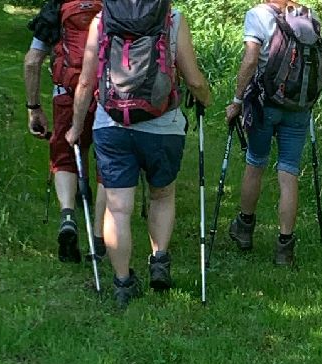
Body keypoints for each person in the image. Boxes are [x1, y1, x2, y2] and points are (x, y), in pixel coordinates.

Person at [64, 0, 212, 308]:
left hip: (112, 123)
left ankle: (122, 282)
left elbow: (86, 81)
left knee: (118, 209)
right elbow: (194, 79)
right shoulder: (172, 18)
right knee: (162, 196)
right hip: (162, 126)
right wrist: (206, 99)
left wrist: (76, 127)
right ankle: (159, 260)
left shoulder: (102, 20)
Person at [225, 0, 322, 266]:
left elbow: (251, 59)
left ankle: (244, 229)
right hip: (299, 106)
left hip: (265, 103)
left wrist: (236, 100)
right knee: (289, 171)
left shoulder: (257, 15)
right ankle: (285, 247)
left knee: (255, 162)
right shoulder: (307, 14)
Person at [24, 0, 105, 264]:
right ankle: (100, 236)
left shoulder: (56, 8)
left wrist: (34, 108)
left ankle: (68, 216)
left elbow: (32, 62)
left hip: (67, 95)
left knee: (64, 158)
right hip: (108, 95)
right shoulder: (112, 6)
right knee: (109, 161)